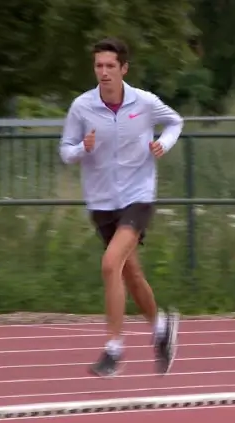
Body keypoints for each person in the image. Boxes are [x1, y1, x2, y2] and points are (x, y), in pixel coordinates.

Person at [58, 37, 184, 378]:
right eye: (98, 65)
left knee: (110, 264)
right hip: (101, 202)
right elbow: (65, 151)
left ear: (123, 69)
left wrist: (163, 143)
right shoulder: (82, 107)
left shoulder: (143, 102)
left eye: (110, 66)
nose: (103, 72)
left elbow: (175, 122)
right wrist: (82, 149)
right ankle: (161, 329)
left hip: (138, 196)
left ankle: (114, 350)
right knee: (131, 272)